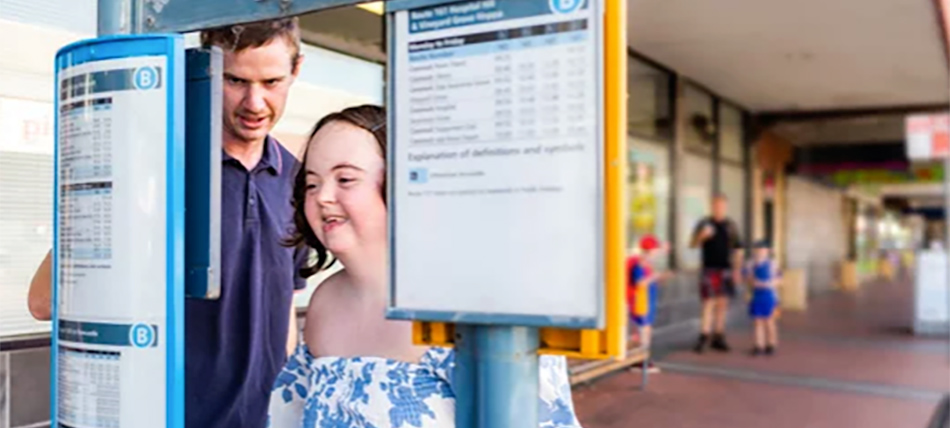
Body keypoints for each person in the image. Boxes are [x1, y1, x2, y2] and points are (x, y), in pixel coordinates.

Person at [28, 18, 308, 428]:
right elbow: (43, 301)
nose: (254, 102)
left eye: (270, 82)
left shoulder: (299, 180)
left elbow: (282, 308)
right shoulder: (158, 167)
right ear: (206, 70)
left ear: (296, 69)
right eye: (234, 80)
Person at [267, 105, 583, 428]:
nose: (323, 197)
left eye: (345, 179)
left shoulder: (475, 303)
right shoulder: (326, 300)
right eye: (312, 184)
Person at [689, 193, 743, 353]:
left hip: (726, 269)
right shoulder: (704, 223)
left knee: (722, 304)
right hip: (709, 269)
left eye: (721, 205)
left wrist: (737, 270)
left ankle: (718, 337)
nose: (718, 208)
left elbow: (738, 250)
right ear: (711, 206)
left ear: (725, 207)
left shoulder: (731, 226)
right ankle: (704, 336)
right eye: (716, 205)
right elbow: (692, 244)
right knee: (708, 303)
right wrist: (701, 236)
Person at [627, 235, 671, 374]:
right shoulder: (639, 264)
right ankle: (640, 360)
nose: (656, 255)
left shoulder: (646, 264)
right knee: (642, 331)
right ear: (648, 251)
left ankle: (643, 358)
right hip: (640, 303)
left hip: (646, 302)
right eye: (654, 252)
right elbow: (640, 283)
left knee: (645, 330)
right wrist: (656, 277)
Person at [745, 240, 779, 356]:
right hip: (756, 295)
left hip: (769, 295)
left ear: (768, 251)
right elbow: (747, 276)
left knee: (769, 321)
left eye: (763, 249)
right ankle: (759, 345)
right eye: (758, 249)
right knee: (757, 321)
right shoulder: (751, 263)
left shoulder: (772, 264)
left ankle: (771, 344)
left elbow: (780, 279)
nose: (760, 251)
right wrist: (753, 281)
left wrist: (770, 283)